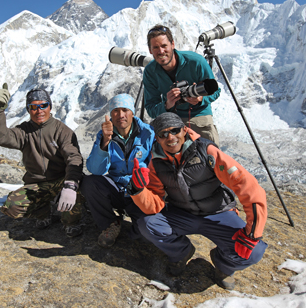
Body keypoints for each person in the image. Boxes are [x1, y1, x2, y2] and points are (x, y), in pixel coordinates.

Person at [128, 112, 268, 290]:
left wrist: (252, 232)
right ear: (157, 138)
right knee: (148, 224)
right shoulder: (156, 162)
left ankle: (223, 265)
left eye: (175, 131)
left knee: (253, 251)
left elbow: (246, 184)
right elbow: (155, 204)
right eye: (163, 134)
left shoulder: (206, 151)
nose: (170, 137)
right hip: (182, 214)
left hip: (219, 212)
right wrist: (138, 190)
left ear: (184, 130)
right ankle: (181, 253)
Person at [0, 84, 84, 238]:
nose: (39, 110)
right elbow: (1, 137)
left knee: (79, 188)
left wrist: (71, 184)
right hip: (36, 184)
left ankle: (71, 222)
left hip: (62, 180)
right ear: (28, 110)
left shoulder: (62, 131)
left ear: (50, 107)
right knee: (12, 206)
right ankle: (43, 213)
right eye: (34, 107)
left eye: (43, 105)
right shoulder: (23, 131)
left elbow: (73, 157)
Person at [81, 94, 155, 248]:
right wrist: (105, 142)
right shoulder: (104, 135)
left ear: (132, 113)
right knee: (89, 182)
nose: (120, 115)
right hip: (115, 186)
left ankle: (136, 225)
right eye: (115, 111)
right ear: (110, 114)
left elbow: (156, 166)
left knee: (143, 236)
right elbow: (95, 169)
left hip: (139, 190)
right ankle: (110, 223)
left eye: (125, 110)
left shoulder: (148, 133)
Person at [143, 24, 221, 145]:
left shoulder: (196, 62)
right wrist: (167, 105)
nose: (161, 51)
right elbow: (150, 108)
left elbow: (216, 91)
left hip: (199, 114)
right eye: (156, 47)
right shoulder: (150, 71)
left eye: (164, 46)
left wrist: (200, 99)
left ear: (172, 44)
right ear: (150, 50)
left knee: (210, 155)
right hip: (171, 118)